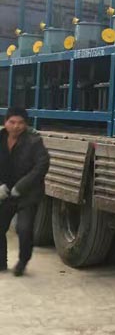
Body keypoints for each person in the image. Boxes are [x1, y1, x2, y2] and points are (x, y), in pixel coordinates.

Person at [0, 108, 49, 276]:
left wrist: (20, 187)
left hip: (27, 194)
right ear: (5, 122)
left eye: (20, 123)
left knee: (24, 229)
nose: (16, 126)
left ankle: (23, 261)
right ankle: (1, 262)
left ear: (26, 124)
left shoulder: (34, 141)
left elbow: (42, 165)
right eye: (12, 122)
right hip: (5, 193)